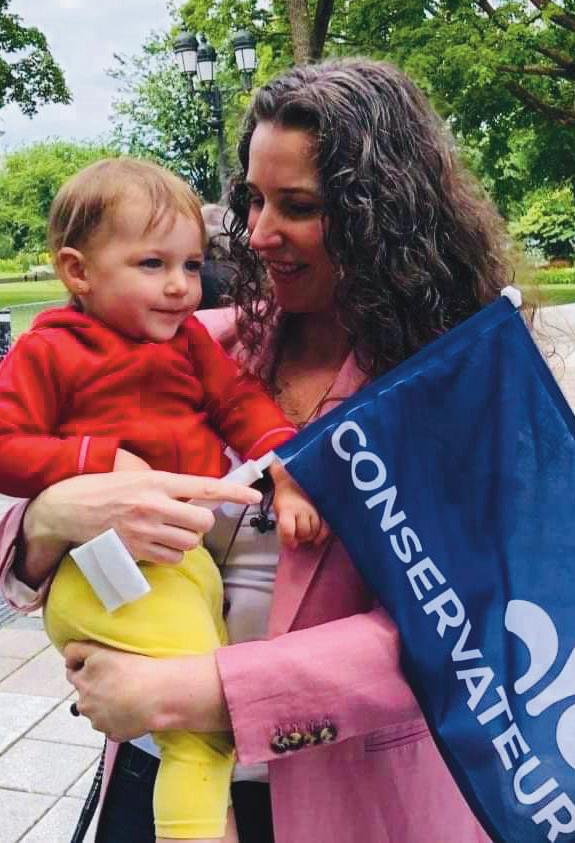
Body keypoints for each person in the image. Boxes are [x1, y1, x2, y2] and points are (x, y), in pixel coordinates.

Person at [0, 58, 511, 843]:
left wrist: (195, 690)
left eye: (297, 206)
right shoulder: (196, 342)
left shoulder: (456, 388)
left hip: (344, 803)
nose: (258, 233)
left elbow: (460, 629)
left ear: (382, 215)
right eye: (252, 199)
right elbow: (27, 511)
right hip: (148, 776)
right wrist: (52, 516)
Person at [0, 157, 323, 843]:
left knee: (193, 710)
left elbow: (238, 402)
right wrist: (92, 467)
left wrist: (288, 467)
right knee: (200, 735)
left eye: (192, 265)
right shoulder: (48, 351)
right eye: (153, 265)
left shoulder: (187, 342)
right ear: (78, 272)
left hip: (181, 569)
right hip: (113, 573)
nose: (181, 286)